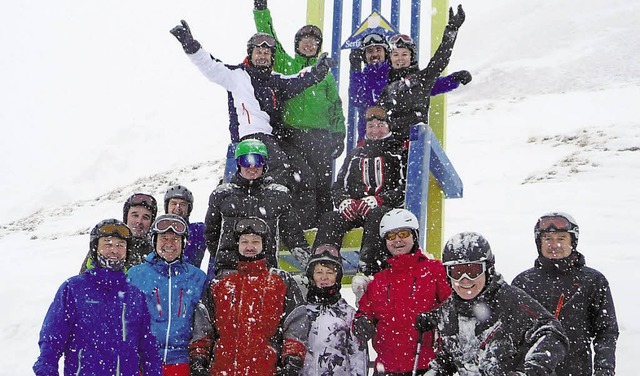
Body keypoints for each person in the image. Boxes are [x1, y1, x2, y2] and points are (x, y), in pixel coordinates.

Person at [170, 20, 334, 208]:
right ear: (251, 54)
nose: (262, 56)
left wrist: (318, 71)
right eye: (258, 52)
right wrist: (190, 44)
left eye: (266, 53)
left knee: (304, 176)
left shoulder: (275, 80)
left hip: (277, 139)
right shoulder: (237, 76)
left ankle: (300, 225)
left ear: (272, 58)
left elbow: (297, 80)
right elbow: (210, 66)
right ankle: (268, 214)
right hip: (253, 136)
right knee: (280, 170)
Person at [418, 231, 569, 375]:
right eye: (457, 272)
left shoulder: (510, 300)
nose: (464, 280)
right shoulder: (450, 310)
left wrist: (532, 369)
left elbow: (551, 331)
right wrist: (438, 370)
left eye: (472, 271)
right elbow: (454, 352)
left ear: (488, 270)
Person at [253, 0, 346, 225]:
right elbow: (268, 37)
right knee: (302, 180)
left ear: (318, 47)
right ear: (297, 44)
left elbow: (335, 104)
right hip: (293, 135)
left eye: (314, 42)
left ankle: (324, 227)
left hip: (320, 137)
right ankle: (301, 226)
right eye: (304, 41)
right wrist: (261, 11)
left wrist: (339, 133)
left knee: (323, 184)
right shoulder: (287, 65)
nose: (308, 45)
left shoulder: (325, 74)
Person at [34, 219, 162, 375]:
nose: (114, 250)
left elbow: (148, 347)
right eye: (107, 244)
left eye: (120, 245)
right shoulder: (74, 289)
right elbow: (52, 340)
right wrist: (46, 369)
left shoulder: (135, 295)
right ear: (95, 248)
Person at [189, 217, 308, 376]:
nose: (249, 247)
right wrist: (198, 359)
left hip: (266, 370)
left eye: (255, 242)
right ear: (237, 245)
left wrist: (292, 362)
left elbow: (296, 324)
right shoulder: (220, 285)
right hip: (223, 370)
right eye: (244, 241)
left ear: (264, 245)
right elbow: (203, 327)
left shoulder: (281, 282)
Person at [512, 212, 619, 375]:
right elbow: (510, 335)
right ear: (539, 243)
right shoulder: (523, 282)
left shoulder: (592, 281)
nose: (554, 245)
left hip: (576, 370)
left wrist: (604, 368)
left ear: (572, 242)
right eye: (548, 239)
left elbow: (606, 331)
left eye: (561, 239)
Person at [352, 209, 451, 375]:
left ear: (414, 236)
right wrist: (362, 321)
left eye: (403, 233)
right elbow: (365, 311)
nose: (397, 240)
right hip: (386, 368)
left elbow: (453, 306)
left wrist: (434, 317)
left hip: (425, 366)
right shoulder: (379, 280)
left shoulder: (434, 270)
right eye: (391, 236)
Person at [313, 106, 407, 277]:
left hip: (383, 211)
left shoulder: (398, 153)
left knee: (378, 217)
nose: (375, 130)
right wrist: (343, 200)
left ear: (388, 127)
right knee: (330, 219)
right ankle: (322, 266)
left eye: (380, 125)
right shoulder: (356, 155)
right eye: (371, 126)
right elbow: (339, 184)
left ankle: (367, 268)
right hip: (356, 209)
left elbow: (404, 187)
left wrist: (381, 200)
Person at [203, 138, 311, 281]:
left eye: (258, 161)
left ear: (264, 164)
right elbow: (211, 233)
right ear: (238, 164)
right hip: (230, 270)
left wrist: (313, 265)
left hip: (265, 270)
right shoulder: (222, 195)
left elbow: (293, 236)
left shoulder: (278, 195)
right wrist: (227, 256)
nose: (252, 167)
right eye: (246, 161)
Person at [349, 32, 471, 142]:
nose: (374, 54)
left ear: (386, 53)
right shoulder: (362, 78)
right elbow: (357, 99)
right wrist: (355, 70)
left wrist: (453, 79)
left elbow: (429, 85)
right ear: (364, 56)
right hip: (369, 138)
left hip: (400, 138)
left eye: (378, 50)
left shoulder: (396, 73)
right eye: (370, 51)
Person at [127, 214, 207, 376]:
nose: (169, 244)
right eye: (164, 238)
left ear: (183, 244)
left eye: (175, 239)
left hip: (181, 363)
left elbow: (202, 325)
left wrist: (199, 357)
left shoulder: (197, 277)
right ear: (154, 241)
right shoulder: (136, 275)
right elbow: (126, 320)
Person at [377, 5, 466, 141]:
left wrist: (451, 30)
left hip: (415, 142)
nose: (400, 58)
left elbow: (439, 62)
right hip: (389, 146)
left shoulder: (421, 79)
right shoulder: (385, 85)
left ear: (411, 57)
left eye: (404, 54)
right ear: (390, 58)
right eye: (395, 54)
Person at [302, 244, 368, 375]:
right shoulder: (302, 312)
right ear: (311, 276)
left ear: (337, 277)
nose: (324, 277)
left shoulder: (348, 314)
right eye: (319, 272)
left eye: (330, 273)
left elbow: (358, 357)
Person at [79, 192, 158, 272]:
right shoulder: (106, 245)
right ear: (126, 217)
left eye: (145, 217)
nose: (139, 221)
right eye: (135, 215)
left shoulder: (157, 250)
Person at [163, 185, 207, 268]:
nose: (178, 208)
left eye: (182, 204)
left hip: (190, 278)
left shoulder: (197, 230)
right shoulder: (158, 231)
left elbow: (215, 228)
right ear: (167, 206)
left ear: (188, 209)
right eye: (174, 203)